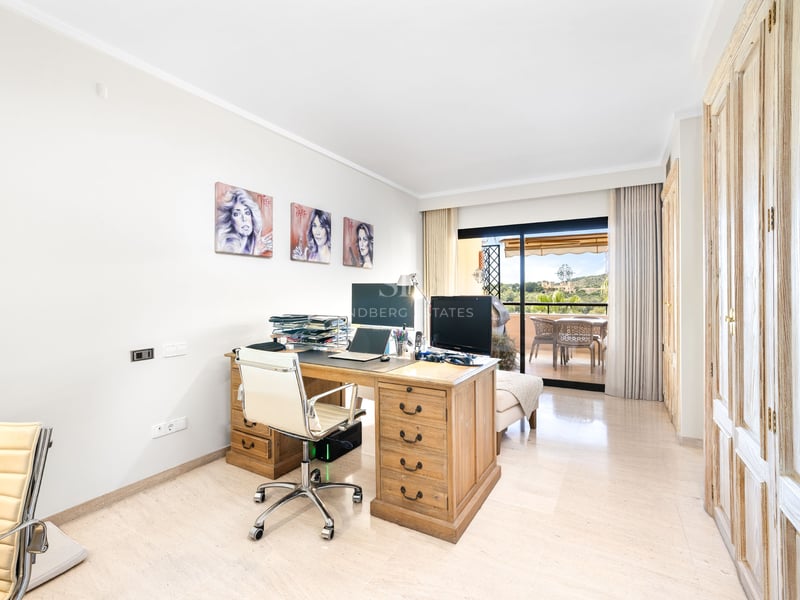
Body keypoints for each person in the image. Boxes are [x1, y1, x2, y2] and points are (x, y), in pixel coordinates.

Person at [216, 188, 272, 255]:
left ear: (252, 217)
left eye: (247, 213)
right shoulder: (228, 247)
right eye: (237, 214)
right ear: (230, 220)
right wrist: (256, 252)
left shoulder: (255, 242)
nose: (244, 219)